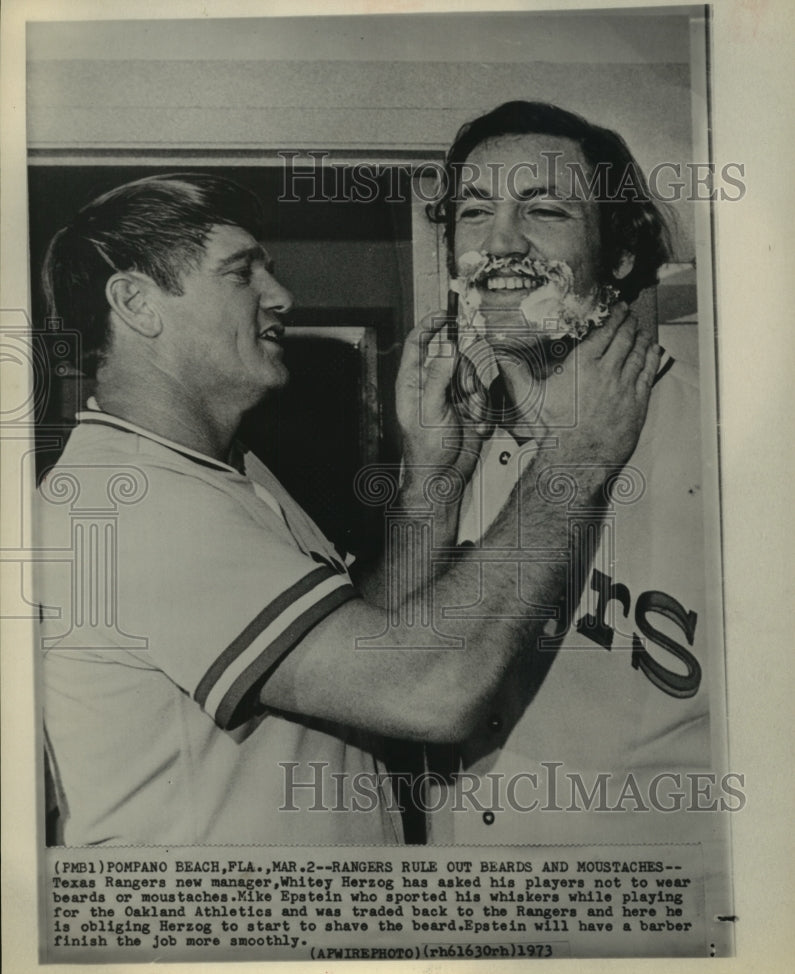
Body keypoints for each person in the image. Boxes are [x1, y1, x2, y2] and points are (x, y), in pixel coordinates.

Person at [35, 172, 659, 847]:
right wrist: (574, 458)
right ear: (135, 303)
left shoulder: (222, 471)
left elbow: (363, 646)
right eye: (243, 273)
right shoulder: (136, 503)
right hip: (225, 944)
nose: (281, 296)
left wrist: (432, 482)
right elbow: (426, 690)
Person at [423, 100, 715, 845]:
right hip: (468, 907)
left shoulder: (723, 439)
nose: (500, 243)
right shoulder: (452, 435)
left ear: (618, 255)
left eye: (545, 210)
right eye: (473, 212)